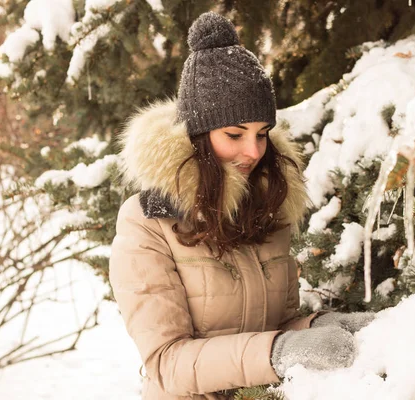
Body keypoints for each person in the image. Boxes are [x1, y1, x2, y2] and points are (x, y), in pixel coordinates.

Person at [109, 12, 375, 400]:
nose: (252, 151)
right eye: (234, 134)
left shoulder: (268, 206)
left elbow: (278, 323)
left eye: (262, 134)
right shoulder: (147, 221)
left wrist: (324, 325)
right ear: (198, 135)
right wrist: (279, 352)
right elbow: (166, 363)